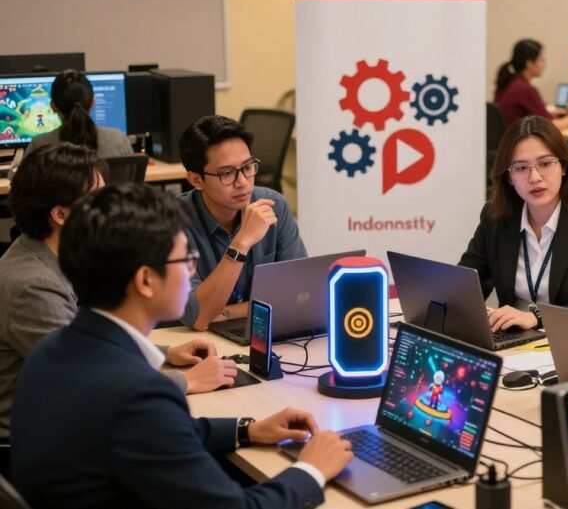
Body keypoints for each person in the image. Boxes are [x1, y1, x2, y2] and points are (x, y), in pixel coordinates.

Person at [12, 183, 353, 508]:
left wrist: (248, 429)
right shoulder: (136, 393)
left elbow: (163, 433)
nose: (192, 271)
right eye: (185, 260)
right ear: (146, 280)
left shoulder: (59, 347)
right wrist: (311, 469)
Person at [0, 144, 234, 446]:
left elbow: (91, 348)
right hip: (37, 440)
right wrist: (187, 380)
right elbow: (87, 380)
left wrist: (166, 354)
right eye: (97, 200)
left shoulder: (53, 255)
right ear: (60, 214)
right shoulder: (33, 286)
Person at [459, 115, 568, 330]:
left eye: (545, 164)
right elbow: (466, 283)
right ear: (509, 177)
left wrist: (537, 317)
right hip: (512, 341)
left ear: (563, 167)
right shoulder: (496, 217)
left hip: (567, 341)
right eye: (521, 168)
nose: (534, 177)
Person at [179, 115, 307, 330]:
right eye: (227, 173)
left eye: (248, 167)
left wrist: (225, 313)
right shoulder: (172, 223)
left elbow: (300, 294)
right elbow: (197, 317)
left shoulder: (273, 204)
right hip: (189, 346)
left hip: (258, 331)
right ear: (196, 180)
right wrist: (241, 243)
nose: (243, 183)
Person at [24, 70, 134, 158]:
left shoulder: (39, 146)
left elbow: (19, 182)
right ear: (92, 104)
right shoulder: (119, 140)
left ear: (53, 106)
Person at [494, 39, 568, 129]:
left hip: (508, 141)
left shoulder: (509, 81)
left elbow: (536, 115)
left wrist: (560, 114)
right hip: (520, 142)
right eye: (542, 60)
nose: (544, 65)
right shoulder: (525, 89)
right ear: (529, 63)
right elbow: (549, 126)